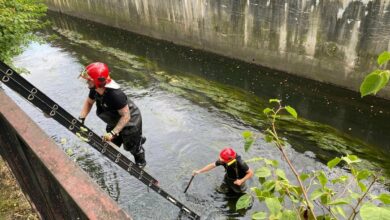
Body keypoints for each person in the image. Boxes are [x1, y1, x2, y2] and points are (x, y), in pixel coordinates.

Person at [78, 62, 146, 168]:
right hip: (115, 118)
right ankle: (135, 139)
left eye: (89, 80)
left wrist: (113, 133)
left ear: (97, 81)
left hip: (130, 120)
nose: (87, 82)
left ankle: (141, 160)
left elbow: (126, 116)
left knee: (131, 147)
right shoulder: (95, 89)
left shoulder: (115, 95)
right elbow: (89, 102)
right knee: (111, 140)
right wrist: (82, 118)